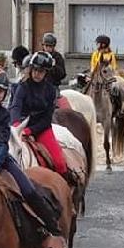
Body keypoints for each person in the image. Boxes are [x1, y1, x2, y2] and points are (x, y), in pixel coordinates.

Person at [0, 66, 66, 248]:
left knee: (28, 189)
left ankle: (51, 229)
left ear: (4, 94)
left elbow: (3, 144)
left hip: (0, 160)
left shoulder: (4, 115)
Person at [9, 52, 78, 187]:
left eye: (40, 71)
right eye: (34, 69)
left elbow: (47, 118)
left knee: (59, 163)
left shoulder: (50, 90)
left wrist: (29, 131)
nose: (36, 73)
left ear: (46, 72)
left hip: (41, 128)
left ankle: (64, 190)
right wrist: (17, 126)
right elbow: (15, 107)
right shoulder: (22, 86)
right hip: (18, 127)